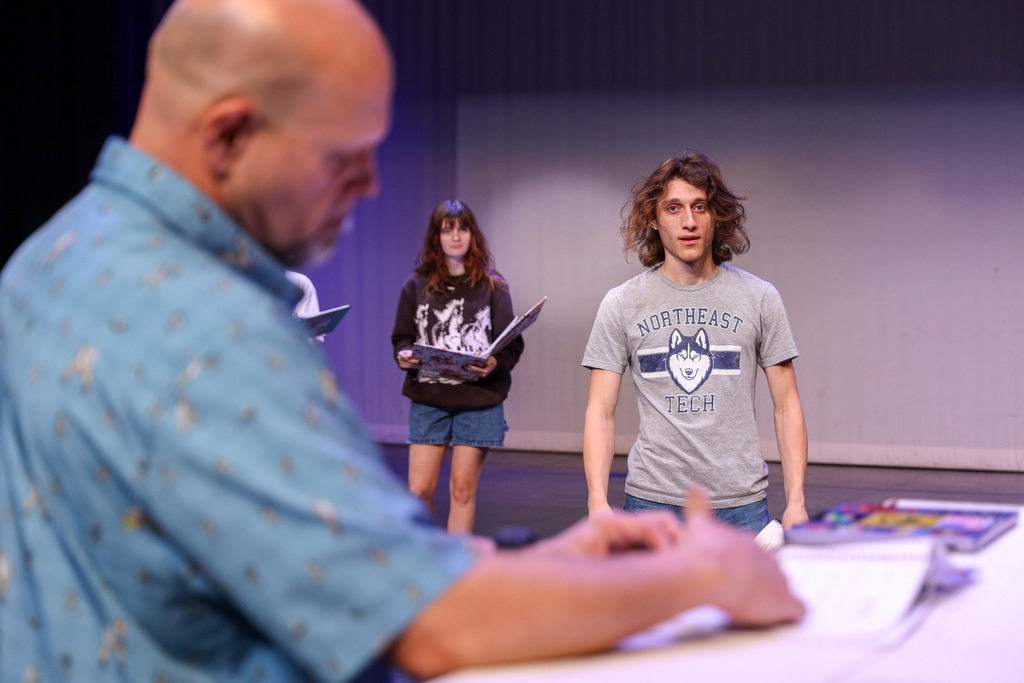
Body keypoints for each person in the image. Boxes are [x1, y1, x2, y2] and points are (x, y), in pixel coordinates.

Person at [0, 2, 804, 681]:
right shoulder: (213, 328)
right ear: (230, 135)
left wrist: (553, 561)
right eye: (344, 153)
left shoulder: (45, 260)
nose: (371, 185)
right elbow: (430, 623)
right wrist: (701, 575)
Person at [582, 152, 810, 532]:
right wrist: (597, 501)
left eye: (699, 207)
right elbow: (600, 412)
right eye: (673, 208)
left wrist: (797, 500)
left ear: (715, 215)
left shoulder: (759, 297)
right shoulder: (623, 303)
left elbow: (787, 406)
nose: (688, 222)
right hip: (651, 504)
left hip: (741, 505)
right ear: (653, 219)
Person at [391, 200, 523, 533]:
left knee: (462, 490)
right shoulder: (416, 284)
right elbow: (402, 337)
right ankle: (427, 565)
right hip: (429, 399)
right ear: (435, 237)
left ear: (472, 234)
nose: (455, 237)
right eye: (447, 229)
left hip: (478, 402)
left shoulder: (493, 286)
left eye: (462, 228)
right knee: (419, 491)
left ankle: (457, 573)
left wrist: (494, 362)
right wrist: (404, 354)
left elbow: (512, 344)